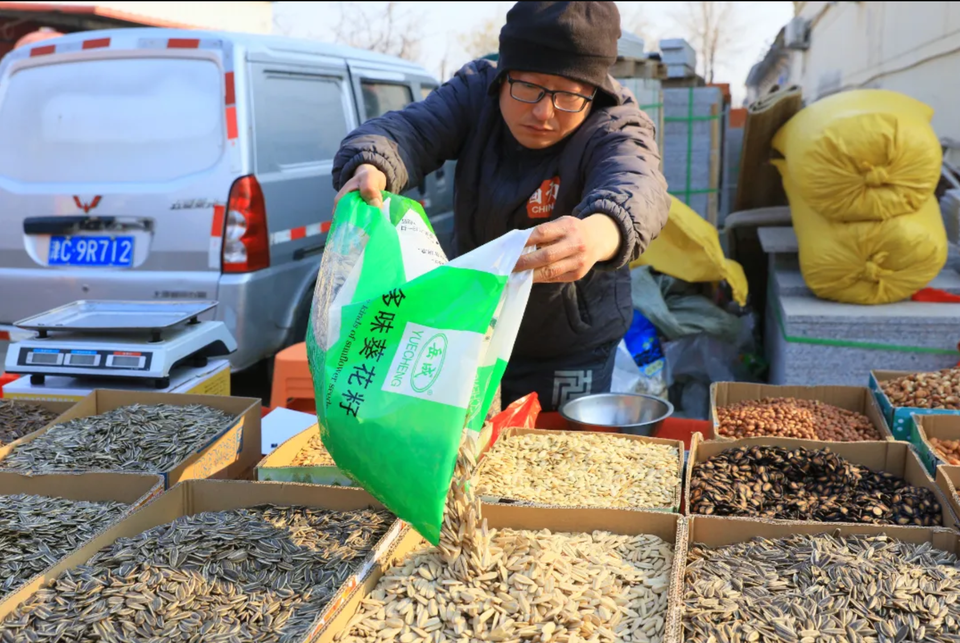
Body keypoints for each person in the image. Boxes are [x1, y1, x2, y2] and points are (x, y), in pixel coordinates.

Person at [332, 1, 671, 412]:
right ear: (503, 74)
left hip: (567, 347)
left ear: (594, 92)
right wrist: (373, 162)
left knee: (556, 461)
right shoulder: (475, 92)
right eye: (528, 87)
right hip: (470, 331)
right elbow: (409, 130)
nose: (543, 112)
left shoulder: (614, 122)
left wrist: (600, 232)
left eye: (568, 96)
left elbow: (637, 182)